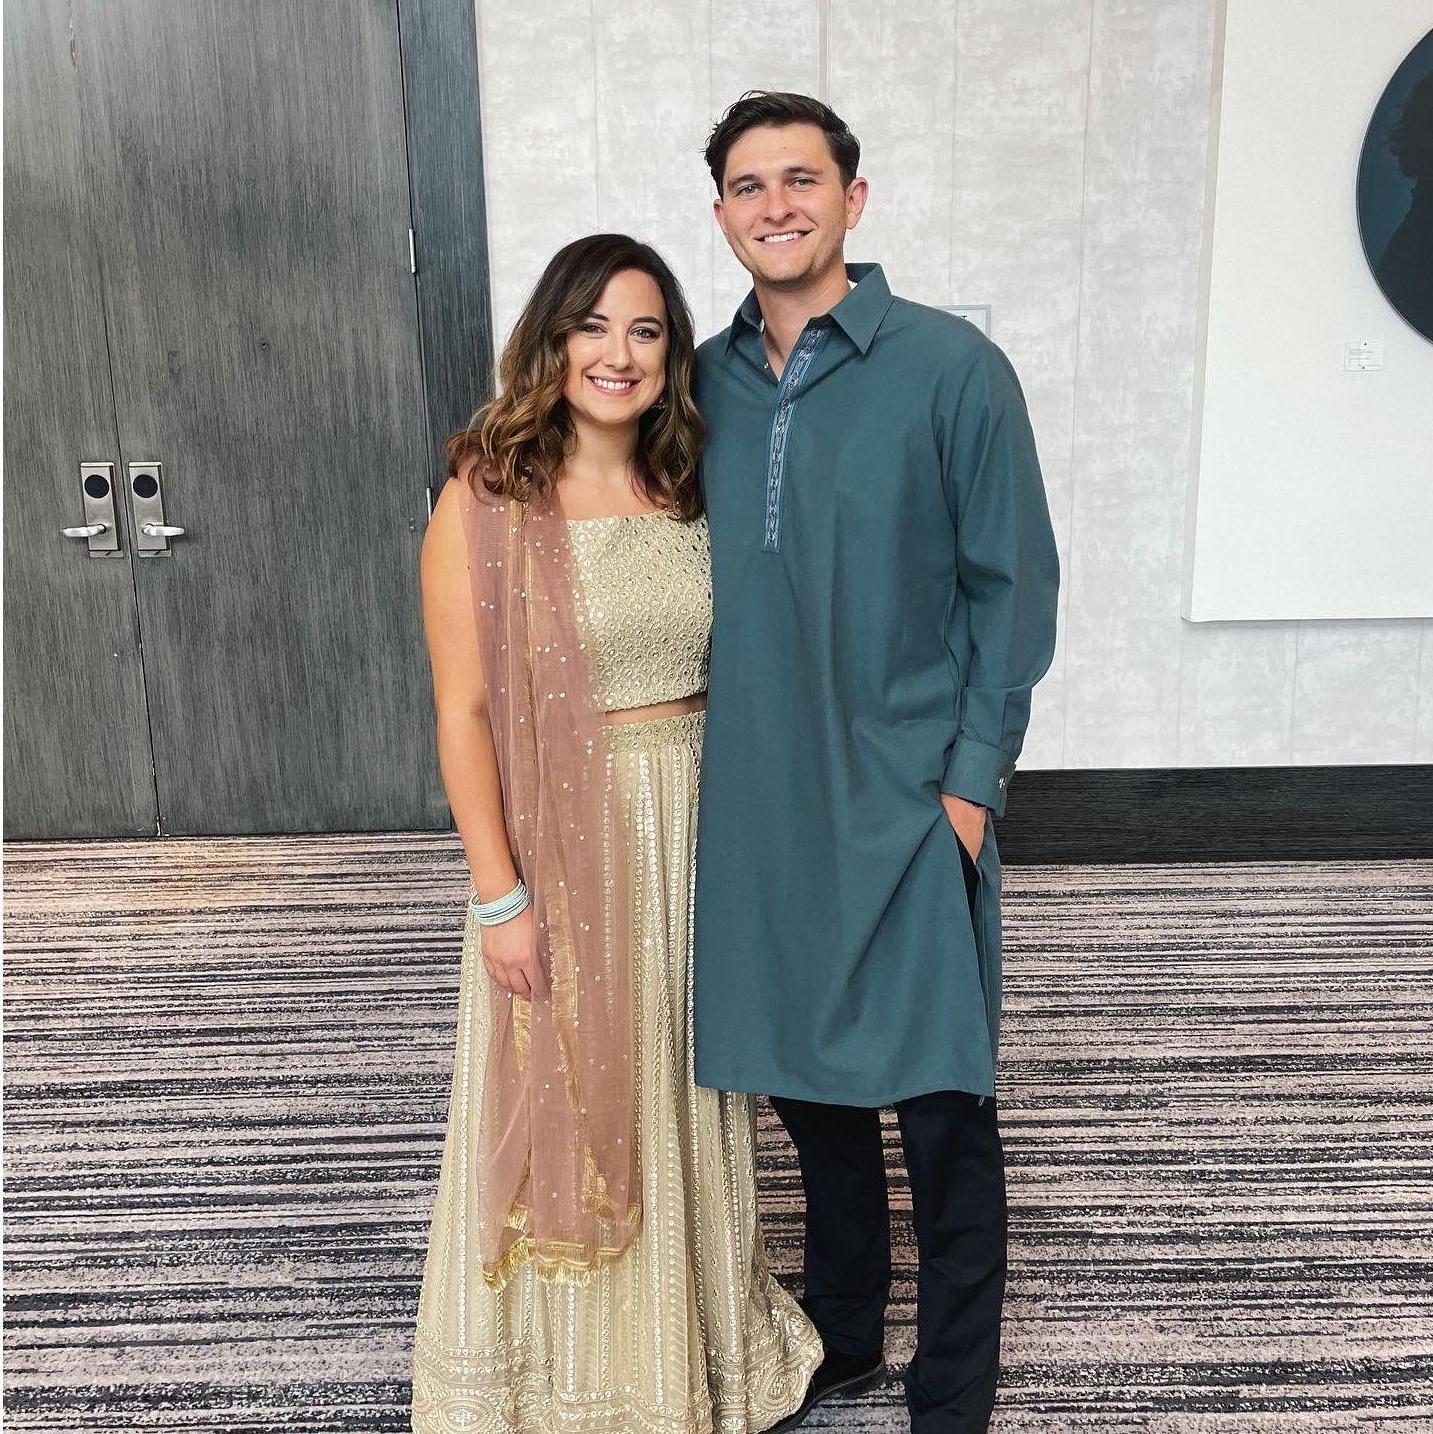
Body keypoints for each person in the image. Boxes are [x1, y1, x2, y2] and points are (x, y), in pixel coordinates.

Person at [692, 93, 1061, 1434]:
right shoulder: (697, 384)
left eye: (801, 179)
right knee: (809, 1088)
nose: (775, 205)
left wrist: (969, 786)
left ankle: (954, 1382)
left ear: (854, 198)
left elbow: (1011, 587)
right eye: (748, 185)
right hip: (761, 804)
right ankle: (842, 1331)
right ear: (720, 214)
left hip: (910, 799)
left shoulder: (952, 368)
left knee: (942, 1103)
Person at [411, 233, 821, 1433]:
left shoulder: (694, 484)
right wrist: (500, 897)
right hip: (561, 844)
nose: (617, 354)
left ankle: (691, 1353)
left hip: (697, 824)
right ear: (549, 340)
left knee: (686, 1087)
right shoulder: (486, 496)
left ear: (670, 356)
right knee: (571, 1089)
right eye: (592, 326)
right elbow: (463, 710)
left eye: (644, 331)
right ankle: (563, 1381)